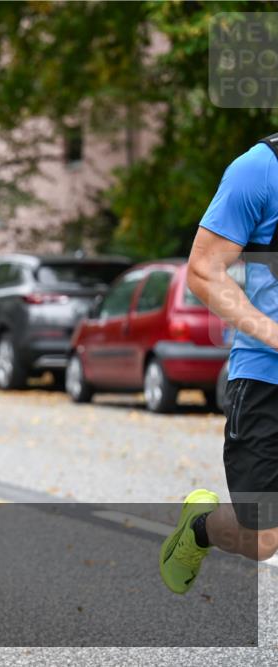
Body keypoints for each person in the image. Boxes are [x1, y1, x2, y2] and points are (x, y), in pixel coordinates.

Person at [160, 133, 278, 594]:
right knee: (263, 535)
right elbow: (205, 268)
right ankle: (200, 528)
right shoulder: (258, 170)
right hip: (266, 376)